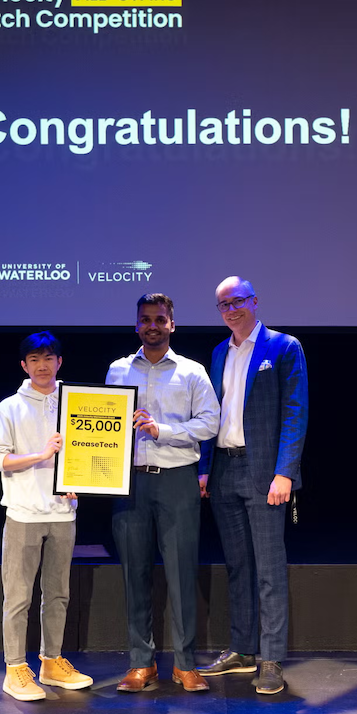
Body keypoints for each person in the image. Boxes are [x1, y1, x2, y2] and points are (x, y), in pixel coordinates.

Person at [196, 276, 308, 695]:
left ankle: (271, 658)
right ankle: (242, 649)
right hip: (225, 471)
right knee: (239, 566)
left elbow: (296, 413)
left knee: (268, 568)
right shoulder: (218, 352)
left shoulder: (284, 347)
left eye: (237, 301)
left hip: (265, 474)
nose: (231, 310)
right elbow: (213, 415)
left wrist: (286, 473)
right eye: (223, 305)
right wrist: (205, 467)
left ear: (255, 301)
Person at [106, 293, 220, 693]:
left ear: (172, 324)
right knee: (134, 575)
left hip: (177, 480)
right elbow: (105, 424)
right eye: (145, 319)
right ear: (136, 325)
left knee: (181, 573)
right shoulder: (118, 371)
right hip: (131, 483)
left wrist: (162, 431)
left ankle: (185, 664)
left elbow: (210, 423)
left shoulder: (192, 372)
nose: (152, 325)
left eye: (160, 319)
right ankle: (141, 663)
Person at [0, 331, 93, 702]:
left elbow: (87, 452)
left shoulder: (78, 403)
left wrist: (81, 478)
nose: (42, 366)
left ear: (59, 362)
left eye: (48, 358)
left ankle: (51, 661)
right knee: (18, 597)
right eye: (34, 360)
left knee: (58, 593)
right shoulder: (8, 408)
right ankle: (14, 669)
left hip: (63, 513)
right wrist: (40, 456)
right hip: (24, 514)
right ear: (24, 366)